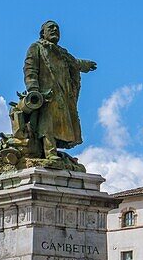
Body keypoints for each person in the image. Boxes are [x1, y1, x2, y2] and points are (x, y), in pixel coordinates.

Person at [22, 20, 98, 159]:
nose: (55, 30)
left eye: (57, 28)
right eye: (50, 28)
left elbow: (75, 63)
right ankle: (49, 152)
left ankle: (53, 150)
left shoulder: (62, 53)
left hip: (62, 94)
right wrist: (33, 88)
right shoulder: (36, 47)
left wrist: (85, 65)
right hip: (46, 95)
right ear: (43, 33)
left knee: (60, 124)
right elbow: (30, 68)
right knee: (47, 123)